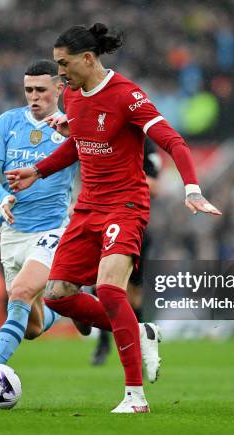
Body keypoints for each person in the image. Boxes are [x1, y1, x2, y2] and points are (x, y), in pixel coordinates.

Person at [6, 24, 222, 413]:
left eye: (64, 64)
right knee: (58, 296)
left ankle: (135, 397)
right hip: (88, 207)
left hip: (126, 205)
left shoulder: (127, 96)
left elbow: (173, 141)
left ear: (88, 59)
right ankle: (140, 332)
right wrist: (38, 171)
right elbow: (79, 143)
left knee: (108, 290)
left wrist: (192, 188)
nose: (60, 74)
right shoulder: (72, 96)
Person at [0, 59, 81, 387]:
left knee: (20, 293)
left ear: (59, 88)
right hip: (12, 232)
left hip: (53, 229)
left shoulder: (72, 125)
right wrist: (1, 196)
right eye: (29, 89)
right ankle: (72, 308)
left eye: (41, 89)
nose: (34, 96)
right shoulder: (7, 122)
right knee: (30, 327)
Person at [91, 139, 161, 366]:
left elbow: (156, 187)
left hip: (134, 225)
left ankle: (140, 345)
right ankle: (103, 342)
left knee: (133, 294)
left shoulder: (146, 146)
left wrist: (122, 181)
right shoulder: (104, 137)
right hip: (102, 221)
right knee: (102, 285)